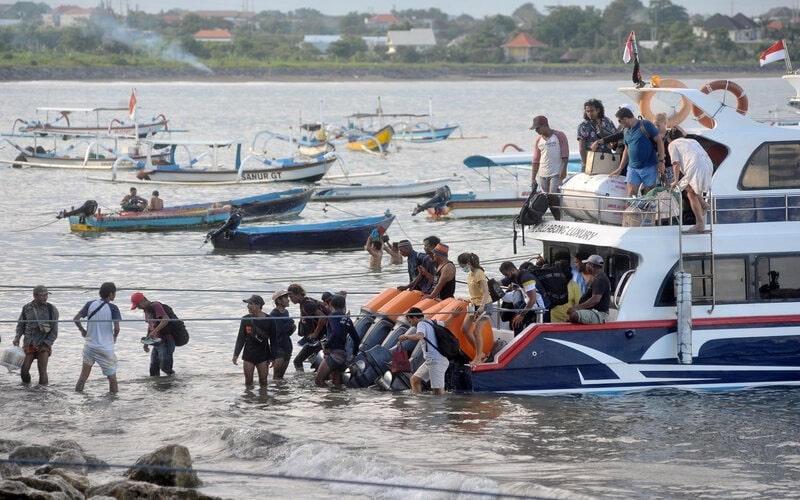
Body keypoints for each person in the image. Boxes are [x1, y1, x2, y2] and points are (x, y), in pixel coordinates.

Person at [73, 282, 121, 393]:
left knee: (83, 376)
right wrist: (115, 336)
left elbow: (76, 319)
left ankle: (77, 396)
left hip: (89, 346)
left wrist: (82, 330)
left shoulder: (90, 304)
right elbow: (117, 328)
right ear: (110, 294)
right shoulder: (113, 308)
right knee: (112, 379)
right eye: (114, 293)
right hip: (105, 348)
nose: (114, 296)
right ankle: (114, 400)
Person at [610, 106, 665, 197]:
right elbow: (626, 150)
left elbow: (659, 140)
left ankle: (648, 210)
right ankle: (631, 211)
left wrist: (661, 160)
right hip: (633, 168)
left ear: (625, 119)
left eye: (620, 121)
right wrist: (620, 167)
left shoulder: (645, 125)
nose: (619, 123)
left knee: (649, 195)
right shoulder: (625, 131)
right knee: (631, 194)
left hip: (649, 166)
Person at [668, 128, 713, 234]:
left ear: (670, 139)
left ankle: (700, 224)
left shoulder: (673, 144)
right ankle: (703, 204)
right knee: (690, 189)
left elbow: (676, 163)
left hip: (695, 166)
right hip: (708, 164)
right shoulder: (692, 141)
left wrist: (675, 180)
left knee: (691, 193)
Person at [14, 285, 58, 385]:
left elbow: (54, 331)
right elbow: (21, 325)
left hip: (43, 343)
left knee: (42, 371)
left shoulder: (52, 309)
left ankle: (42, 393)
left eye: (46, 295)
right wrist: (17, 337)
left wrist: (46, 344)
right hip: (29, 343)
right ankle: (26, 390)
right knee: (24, 371)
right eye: (42, 295)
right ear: (35, 296)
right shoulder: (27, 308)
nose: (45, 297)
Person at [398, 307, 448, 395]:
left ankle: (440, 407)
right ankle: (419, 405)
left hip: (436, 361)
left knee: (438, 391)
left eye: (410, 321)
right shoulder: (431, 321)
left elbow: (419, 336)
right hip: (431, 361)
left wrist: (406, 337)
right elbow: (446, 323)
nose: (411, 325)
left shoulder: (421, 324)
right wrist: (454, 315)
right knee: (414, 380)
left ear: (414, 317)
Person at [315, 294, 360, 388]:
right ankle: (337, 401)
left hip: (334, 354)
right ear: (344, 306)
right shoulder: (347, 319)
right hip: (343, 355)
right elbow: (356, 339)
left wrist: (327, 346)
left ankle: (328, 401)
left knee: (319, 381)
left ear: (331, 305)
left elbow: (335, 333)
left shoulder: (333, 316)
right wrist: (354, 354)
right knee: (336, 384)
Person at [457, 252, 492, 366]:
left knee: (477, 331)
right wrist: (468, 299)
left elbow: (486, 292)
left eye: (463, 266)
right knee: (465, 329)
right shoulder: (470, 274)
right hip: (474, 304)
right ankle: (480, 353)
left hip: (485, 305)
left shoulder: (479, 273)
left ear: (468, 263)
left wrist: (481, 307)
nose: (463, 269)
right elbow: (475, 291)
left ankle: (478, 358)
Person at [232, 295, 275, 388]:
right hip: (249, 354)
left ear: (258, 305)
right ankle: (249, 400)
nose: (248, 306)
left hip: (263, 354)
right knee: (248, 381)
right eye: (248, 304)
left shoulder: (270, 320)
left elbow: (274, 339)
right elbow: (241, 338)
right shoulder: (245, 319)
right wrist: (236, 354)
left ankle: (263, 400)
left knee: (263, 381)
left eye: (250, 304)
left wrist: (273, 357)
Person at [130, 292, 175, 376]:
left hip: (166, 341)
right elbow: (150, 326)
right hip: (156, 342)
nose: (138, 308)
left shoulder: (156, 305)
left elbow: (166, 319)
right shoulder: (146, 311)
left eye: (138, 305)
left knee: (165, 366)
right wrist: (146, 342)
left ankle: (173, 382)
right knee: (153, 369)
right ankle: (157, 386)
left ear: (143, 301)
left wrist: (155, 331)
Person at [288, 283, 328, 370]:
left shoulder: (307, 305)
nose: (290, 300)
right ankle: (315, 376)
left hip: (317, 339)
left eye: (291, 297)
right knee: (315, 361)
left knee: (297, 361)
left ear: (298, 294)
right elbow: (325, 305)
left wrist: (315, 333)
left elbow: (322, 317)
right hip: (315, 339)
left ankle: (302, 381)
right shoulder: (308, 300)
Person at [499, 261, 544, 335]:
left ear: (512, 270)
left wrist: (522, 315)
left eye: (507, 275)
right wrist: (492, 285)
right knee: (516, 323)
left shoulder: (526, 279)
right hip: (528, 302)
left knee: (524, 324)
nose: (506, 277)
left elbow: (532, 299)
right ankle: (518, 341)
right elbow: (500, 282)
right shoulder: (515, 275)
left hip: (537, 306)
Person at [530, 115, 570, 194]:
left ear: (545, 125)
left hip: (556, 173)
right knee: (546, 197)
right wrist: (533, 178)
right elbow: (536, 160)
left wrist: (563, 170)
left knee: (553, 195)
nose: (536, 131)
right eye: (535, 129)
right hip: (543, 174)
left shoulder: (559, 135)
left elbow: (565, 155)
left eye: (538, 128)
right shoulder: (539, 140)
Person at [568, 255, 612, 324]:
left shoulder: (600, 279)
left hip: (599, 314)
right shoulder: (596, 278)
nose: (585, 266)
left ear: (590, 265)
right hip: (592, 311)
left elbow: (595, 300)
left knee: (574, 315)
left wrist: (577, 307)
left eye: (586, 264)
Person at [577, 99, 617, 172]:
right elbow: (581, 147)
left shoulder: (607, 122)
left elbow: (615, 136)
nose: (589, 113)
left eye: (592, 111)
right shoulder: (583, 126)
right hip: (591, 158)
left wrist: (613, 144)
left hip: (607, 158)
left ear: (598, 110)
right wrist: (585, 163)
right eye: (587, 111)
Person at [269, 290, 295, 380]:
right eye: (286, 298)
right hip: (278, 347)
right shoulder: (274, 314)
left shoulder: (286, 312)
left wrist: (292, 327)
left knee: (281, 376)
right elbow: (281, 329)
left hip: (287, 346)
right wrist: (291, 322)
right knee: (276, 376)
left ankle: (282, 392)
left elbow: (287, 332)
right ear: (279, 301)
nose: (288, 300)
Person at [653, 112, 675, 186]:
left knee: (670, 189)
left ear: (665, 123)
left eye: (658, 125)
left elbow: (683, 134)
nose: (656, 127)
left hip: (669, 167)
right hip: (656, 167)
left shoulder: (670, 135)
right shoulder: (653, 137)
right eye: (654, 125)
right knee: (656, 189)